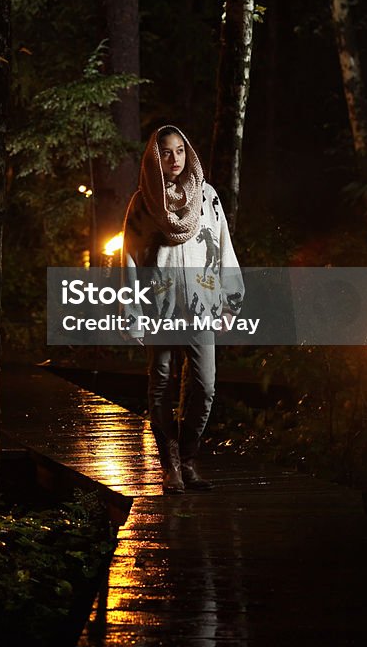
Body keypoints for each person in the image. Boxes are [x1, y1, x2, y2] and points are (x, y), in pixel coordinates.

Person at [121, 125, 244, 494]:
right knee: (160, 385)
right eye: (166, 152)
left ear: (188, 153)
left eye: (179, 151)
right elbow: (128, 258)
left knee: (204, 387)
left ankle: (188, 457)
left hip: (202, 305)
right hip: (160, 306)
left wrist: (229, 301)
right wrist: (134, 312)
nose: (174, 159)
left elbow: (223, 247)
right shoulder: (143, 202)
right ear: (154, 157)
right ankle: (169, 464)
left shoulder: (207, 197)